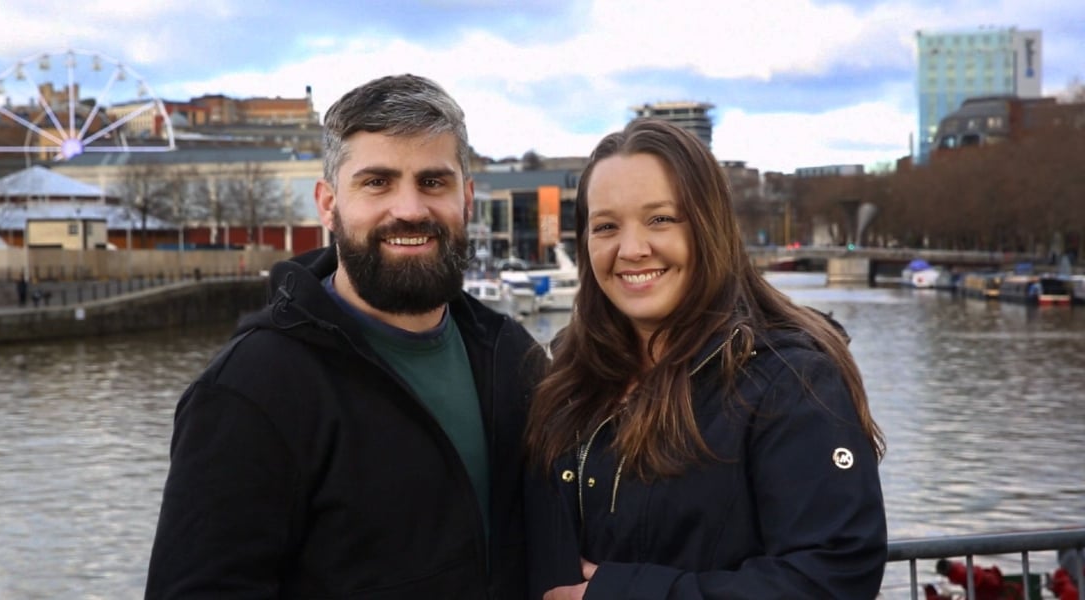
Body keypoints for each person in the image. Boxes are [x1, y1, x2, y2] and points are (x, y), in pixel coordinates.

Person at [145, 74, 545, 598]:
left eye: (433, 182)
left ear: (466, 199)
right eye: (376, 182)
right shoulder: (251, 391)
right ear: (328, 204)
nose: (409, 209)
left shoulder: (512, 357)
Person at [525, 119, 887, 599]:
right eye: (607, 226)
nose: (631, 249)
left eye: (660, 219)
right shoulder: (566, 372)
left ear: (709, 226)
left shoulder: (789, 380)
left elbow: (832, 577)